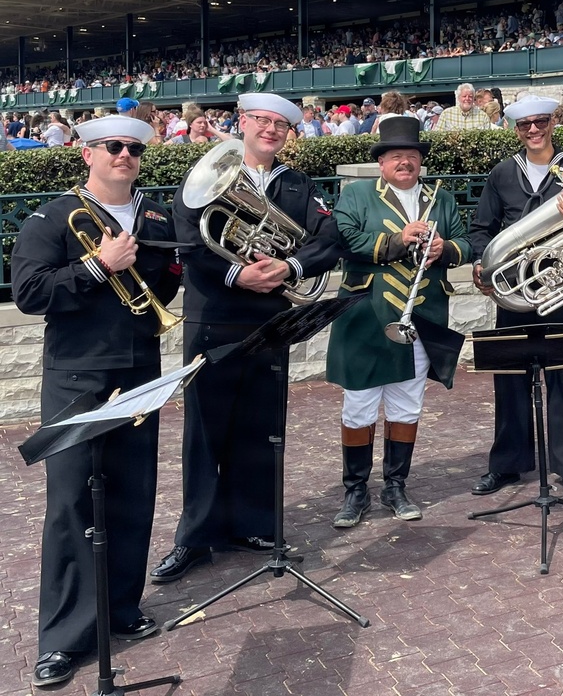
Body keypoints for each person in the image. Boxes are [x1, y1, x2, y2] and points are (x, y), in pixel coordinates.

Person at [11, 115, 181, 687]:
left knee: (135, 493)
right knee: (72, 505)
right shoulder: (52, 217)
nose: (124, 155)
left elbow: (165, 283)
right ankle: (61, 638)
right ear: (86, 154)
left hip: (140, 367)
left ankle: (121, 608)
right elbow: (30, 292)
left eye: (133, 148)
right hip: (78, 375)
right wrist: (96, 266)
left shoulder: (155, 215)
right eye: (113, 147)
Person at [150, 92, 341, 583]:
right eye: (261, 120)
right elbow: (192, 244)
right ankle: (193, 538)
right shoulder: (204, 180)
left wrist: (291, 264)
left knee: (261, 428)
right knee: (203, 434)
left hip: (269, 322)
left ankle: (253, 526)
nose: (271, 129)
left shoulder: (298, 184)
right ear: (243, 122)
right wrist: (238, 275)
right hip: (214, 318)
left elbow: (329, 239)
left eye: (281, 123)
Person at [325, 115, 471, 527]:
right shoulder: (356, 194)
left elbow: (466, 241)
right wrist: (397, 240)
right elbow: (344, 239)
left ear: (420, 161)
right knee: (359, 405)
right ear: (382, 163)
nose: (404, 163)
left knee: (407, 403)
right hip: (367, 316)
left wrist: (446, 248)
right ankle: (355, 491)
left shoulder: (440, 197)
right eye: (395, 157)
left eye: (411, 156)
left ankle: (395, 486)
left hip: (421, 316)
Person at [469, 94, 563, 502]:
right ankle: (508, 464)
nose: (534, 130)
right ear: (516, 130)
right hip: (513, 293)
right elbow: (480, 228)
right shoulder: (503, 173)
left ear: (552, 123)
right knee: (509, 377)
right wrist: (481, 263)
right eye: (525, 125)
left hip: (562, 289)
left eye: (541, 122)